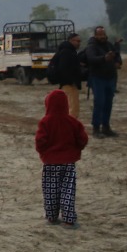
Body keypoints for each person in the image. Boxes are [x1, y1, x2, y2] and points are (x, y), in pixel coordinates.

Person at [35, 89, 88, 229]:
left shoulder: (45, 122)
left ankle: (52, 217)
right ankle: (69, 219)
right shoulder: (72, 122)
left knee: (51, 190)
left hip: (50, 163)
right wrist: (76, 149)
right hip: (68, 163)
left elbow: (40, 141)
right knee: (68, 190)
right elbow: (83, 139)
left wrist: (44, 153)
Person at [84, 26, 121, 136]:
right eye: (99, 34)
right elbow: (90, 59)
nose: (102, 36)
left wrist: (118, 61)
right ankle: (96, 128)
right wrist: (104, 58)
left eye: (103, 34)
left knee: (108, 103)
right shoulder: (91, 46)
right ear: (95, 35)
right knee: (99, 103)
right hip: (97, 78)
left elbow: (116, 55)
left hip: (110, 78)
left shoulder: (109, 45)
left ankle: (106, 126)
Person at [46, 33, 84, 118]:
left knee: (71, 107)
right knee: (72, 109)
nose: (79, 43)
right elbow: (64, 69)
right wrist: (71, 81)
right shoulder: (67, 52)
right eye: (77, 41)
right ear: (71, 40)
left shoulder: (67, 51)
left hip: (67, 84)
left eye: (80, 41)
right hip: (69, 84)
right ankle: (70, 127)